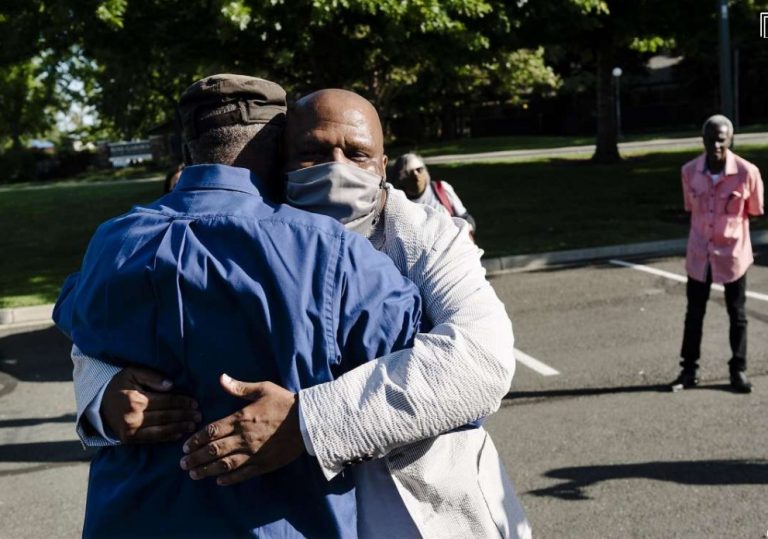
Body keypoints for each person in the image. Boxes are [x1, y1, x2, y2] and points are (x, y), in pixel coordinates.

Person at [72, 88, 531, 537]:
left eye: (357, 154)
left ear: (383, 165)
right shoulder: (258, 240)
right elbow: (109, 330)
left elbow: (480, 362)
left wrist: (306, 422)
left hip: (423, 510)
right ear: (279, 166)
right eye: (312, 152)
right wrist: (102, 391)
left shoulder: (431, 237)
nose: (337, 168)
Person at [672, 114, 764, 393]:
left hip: (732, 254)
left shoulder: (748, 173)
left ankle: (739, 370)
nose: (716, 146)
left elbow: (755, 210)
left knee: (737, 314)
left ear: (731, 140)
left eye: (722, 141)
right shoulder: (689, 172)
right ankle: (689, 370)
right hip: (700, 253)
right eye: (711, 140)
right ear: (703, 140)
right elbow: (692, 207)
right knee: (694, 313)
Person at [392, 152, 476, 233]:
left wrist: (467, 228)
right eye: (409, 172)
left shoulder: (441, 188)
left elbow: (466, 218)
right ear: (400, 177)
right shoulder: (399, 203)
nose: (416, 175)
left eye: (419, 169)